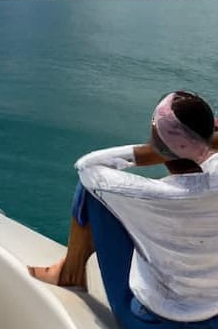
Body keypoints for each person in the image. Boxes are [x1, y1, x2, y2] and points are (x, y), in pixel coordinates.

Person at [30, 91, 218, 328]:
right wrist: (200, 145)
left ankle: (70, 271)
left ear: (159, 150)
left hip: (151, 322)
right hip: (213, 318)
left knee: (93, 193)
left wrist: (160, 149)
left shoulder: (148, 195)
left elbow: (87, 167)